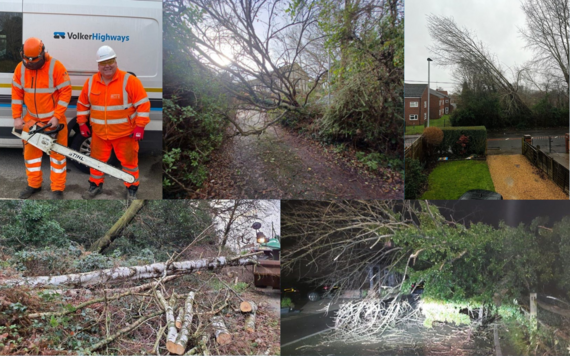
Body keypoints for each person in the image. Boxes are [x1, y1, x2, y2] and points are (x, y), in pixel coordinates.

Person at [76, 45, 150, 200]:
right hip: (99, 134)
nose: (107, 65)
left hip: (124, 134)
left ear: (116, 62)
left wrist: (140, 126)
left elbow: (143, 104)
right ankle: (95, 186)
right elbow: (82, 104)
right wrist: (82, 123)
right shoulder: (91, 83)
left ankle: (131, 188)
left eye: (110, 61)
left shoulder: (129, 80)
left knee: (130, 163)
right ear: (98, 65)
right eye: (103, 63)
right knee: (96, 162)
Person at [11, 37, 72, 200]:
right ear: (22, 54)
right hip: (31, 120)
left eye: (34, 60)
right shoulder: (20, 69)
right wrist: (17, 117)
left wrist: (57, 116)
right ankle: (34, 185)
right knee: (31, 156)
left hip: (54, 120)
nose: (30, 63)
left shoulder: (55, 66)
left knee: (58, 157)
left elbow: (66, 92)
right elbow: (17, 94)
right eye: (27, 60)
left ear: (43, 53)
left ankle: (58, 189)